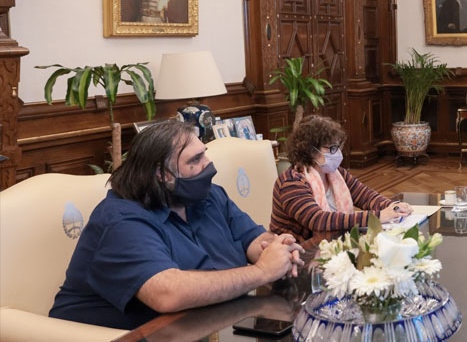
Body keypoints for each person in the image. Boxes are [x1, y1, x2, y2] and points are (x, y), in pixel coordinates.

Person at [49, 120, 304, 330]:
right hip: (122, 335)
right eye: (196, 160)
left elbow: (254, 240)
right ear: (162, 174)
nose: (208, 164)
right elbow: (168, 294)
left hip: (204, 325)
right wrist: (262, 272)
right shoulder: (121, 220)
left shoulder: (209, 196)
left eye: (205, 153)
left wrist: (277, 249)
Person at [270, 115, 412, 244]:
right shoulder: (291, 182)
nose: (337, 153)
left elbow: (365, 196)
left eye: (338, 147)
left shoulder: (336, 174)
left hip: (333, 244)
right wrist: (376, 217)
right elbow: (318, 220)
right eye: (332, 148)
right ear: (310, 150)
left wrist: (394, 207)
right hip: (298, 253)